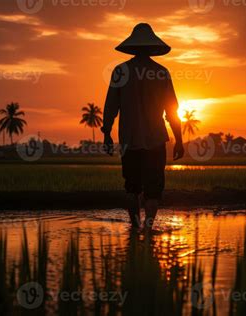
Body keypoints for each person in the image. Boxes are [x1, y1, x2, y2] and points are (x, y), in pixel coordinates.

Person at [101, 23, 184, 232]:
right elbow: (172, 110)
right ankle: (148, 228)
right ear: (151, 48)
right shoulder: (161, 72)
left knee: (132, 186)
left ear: (133, 47)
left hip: (130, 140)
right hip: (155, 140)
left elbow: (111, 105)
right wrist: (179, 140)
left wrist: (107, 133)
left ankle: (134, 226)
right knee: (153, 189)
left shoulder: (121, 71)